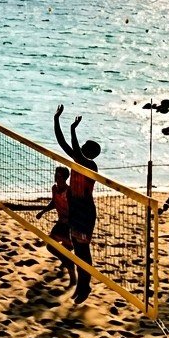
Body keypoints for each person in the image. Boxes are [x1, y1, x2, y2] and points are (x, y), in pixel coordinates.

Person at [53, 105, 101, 304]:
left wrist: (73, 130)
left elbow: (73, 148)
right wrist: (56, 119)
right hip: (75, 211)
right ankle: (83, 286)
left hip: (85, 213)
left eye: (82, 149)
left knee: (83, 251)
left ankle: (84, 286)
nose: (78, 150)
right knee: (78, 251)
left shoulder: (90, 165)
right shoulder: (77, 162)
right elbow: (62, 142)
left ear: (88, 153)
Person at [34, 166, 76, 288]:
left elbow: (75, 209)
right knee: (53, 246)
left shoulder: (69, 192)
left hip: (69, 225)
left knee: (55, 248)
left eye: (59, 176)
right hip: (61, 223)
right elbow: (54, 202)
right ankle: (67, 263)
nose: (56, 178)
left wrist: (69, 219)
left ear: (65, 178)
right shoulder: (55, 188)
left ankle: (72, 276)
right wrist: (43, 211)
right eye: (55, 175)